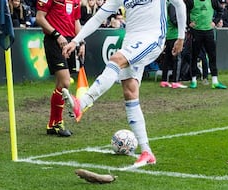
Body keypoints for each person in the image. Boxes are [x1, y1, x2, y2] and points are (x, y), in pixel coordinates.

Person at [61, 0, 186, 167]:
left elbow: (180, 4)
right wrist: (76, 41)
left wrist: (181, 37)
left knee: (116, 60)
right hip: (131, 40)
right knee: (130, 92)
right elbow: (98, 18)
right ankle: (147, 152)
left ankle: (82, 103)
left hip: (152, 37)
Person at [36, 0, 85, 137]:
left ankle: (53, 124)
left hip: (69, 42)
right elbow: (39, 17)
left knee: (61, 85)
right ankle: (57, 122)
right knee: (65, 82)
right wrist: (57, 35)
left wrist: (81, 41)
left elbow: (76, 21)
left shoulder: (77, 1)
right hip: (54, 41)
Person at [188, 0, 227, 89]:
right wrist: (188, 22)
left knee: (212, 56)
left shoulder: (213, 1)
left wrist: (215, 21)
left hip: (208, 31)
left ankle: (215, 81)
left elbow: (221, 10)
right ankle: (193, 80)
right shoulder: (191, 1)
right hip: (196, 31)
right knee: (194, 55)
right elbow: (184, 10)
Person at [160, 0, 187, 89]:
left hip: (169, 34)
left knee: (167, 59)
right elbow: (173, 19)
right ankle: (175, 81)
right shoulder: (172, 5)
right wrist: (183, 26)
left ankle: (164, 80)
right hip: (174, 35)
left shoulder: (167, 4)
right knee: (177, 59)